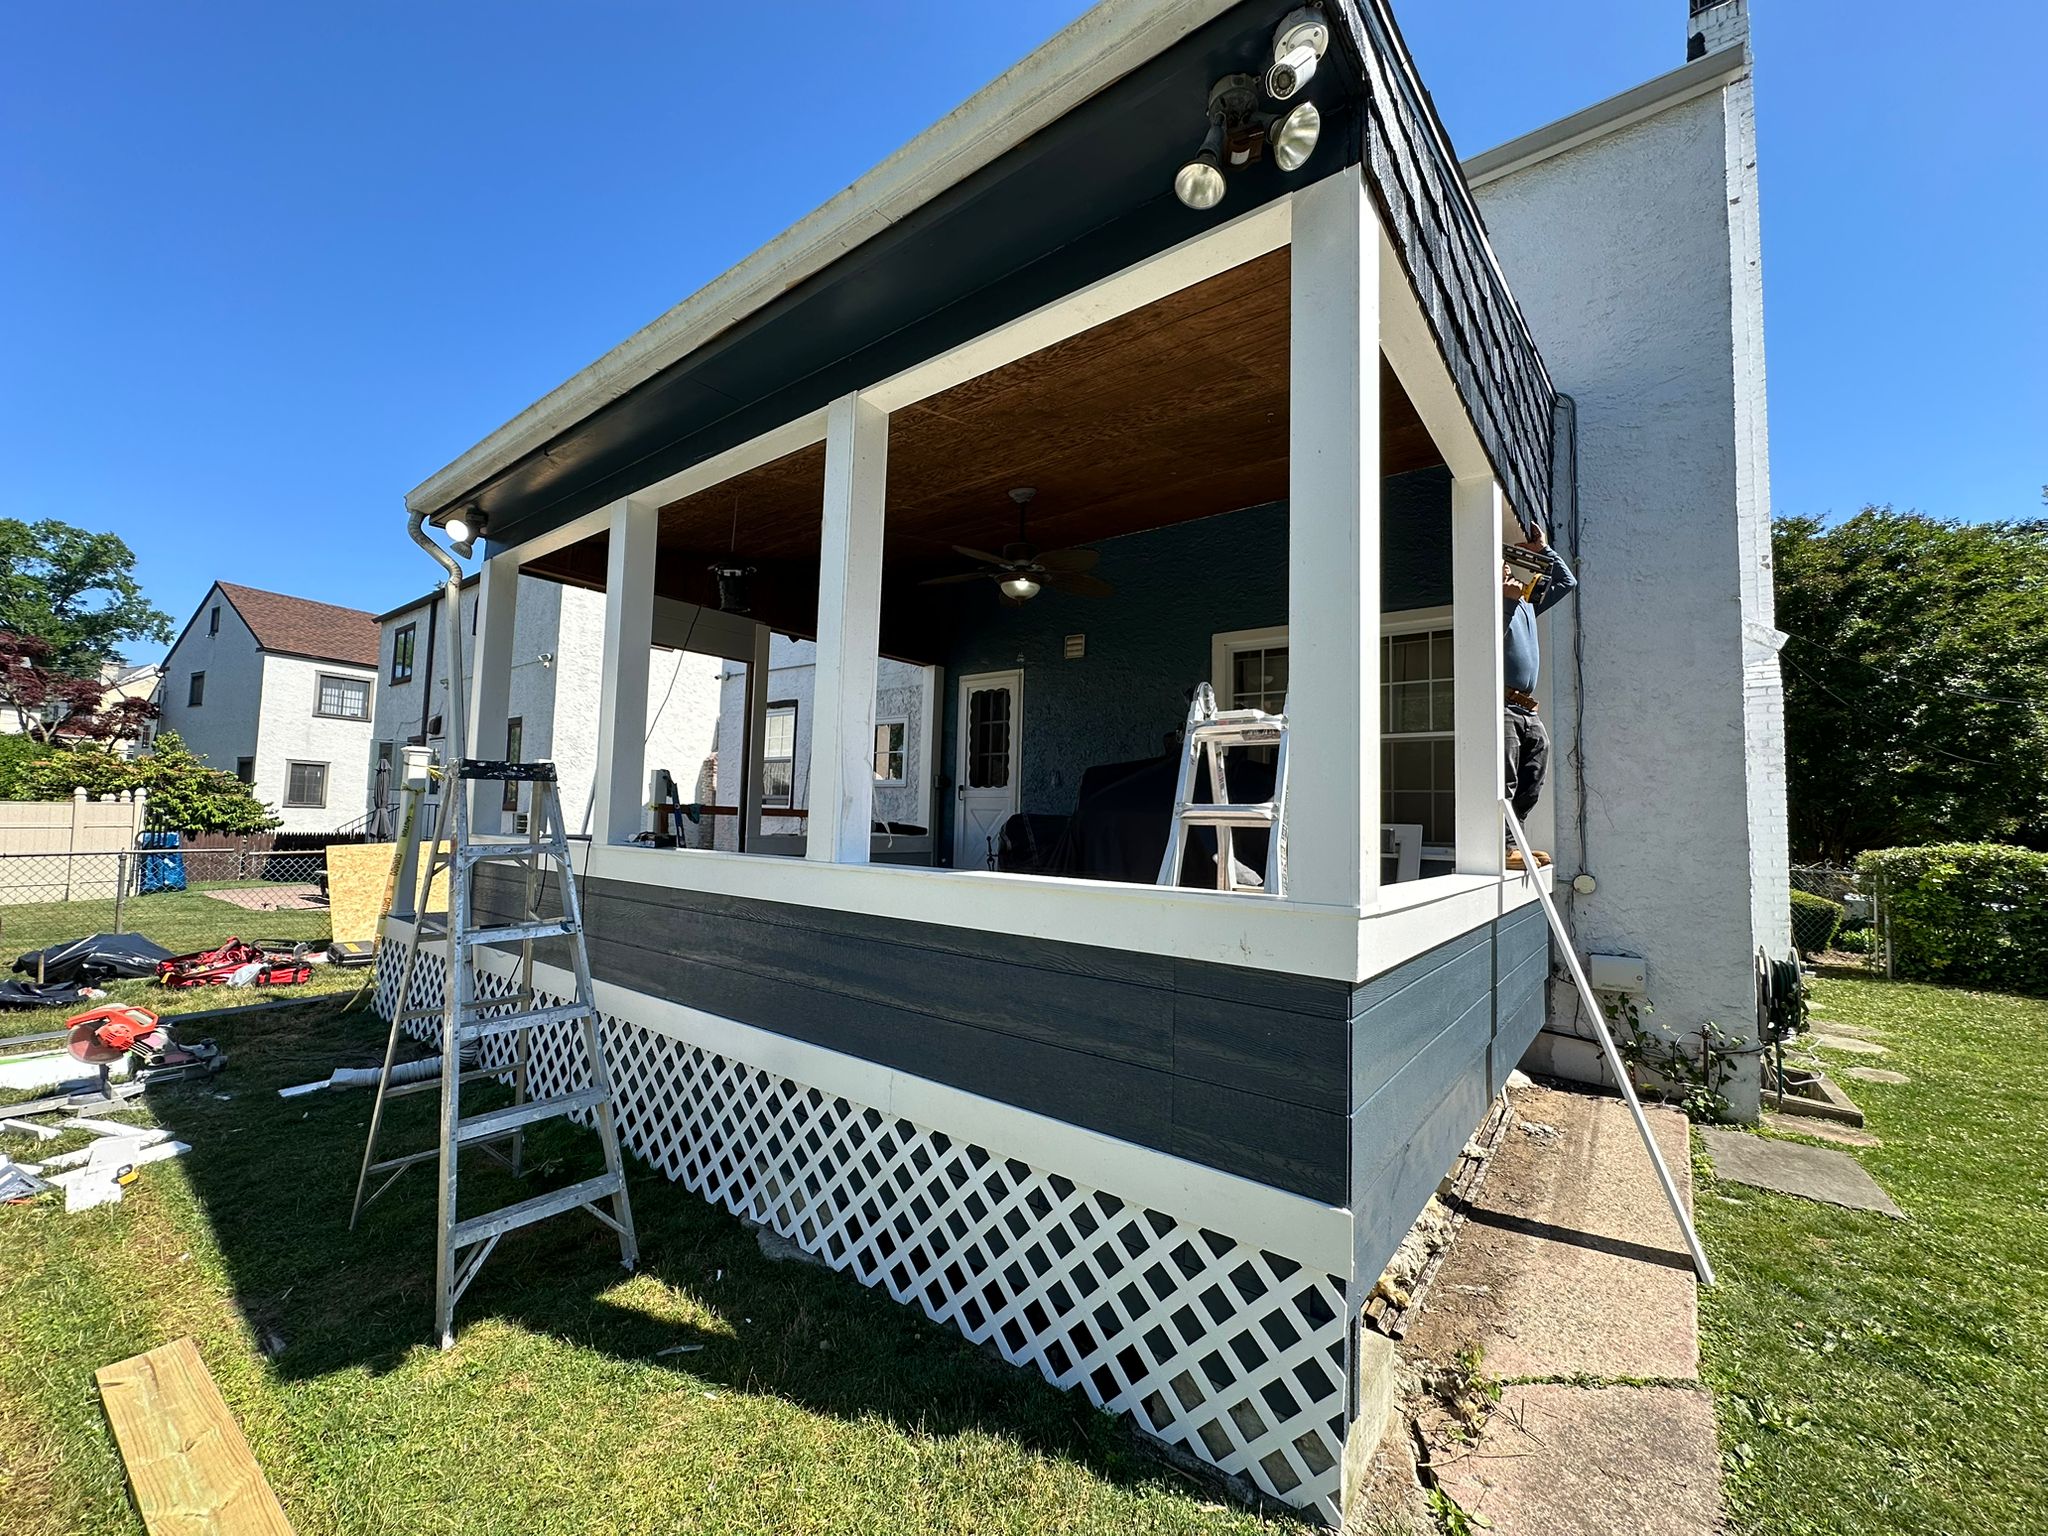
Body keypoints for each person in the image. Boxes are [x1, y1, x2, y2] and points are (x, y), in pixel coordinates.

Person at [1502, 524, 1577, 869]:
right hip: (1499, 703)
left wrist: (1543, 551)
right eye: (1501, 570)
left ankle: (1513, 841)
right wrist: (1505, 602)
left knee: (1533, 773)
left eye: (1506, 567)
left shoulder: (1527, 606)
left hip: (1526, 708)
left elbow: (1566, 583)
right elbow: (1487, 638)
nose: (1506, 572)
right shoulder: (1493, 606)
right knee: (1507, 775)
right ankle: (1503, 848)